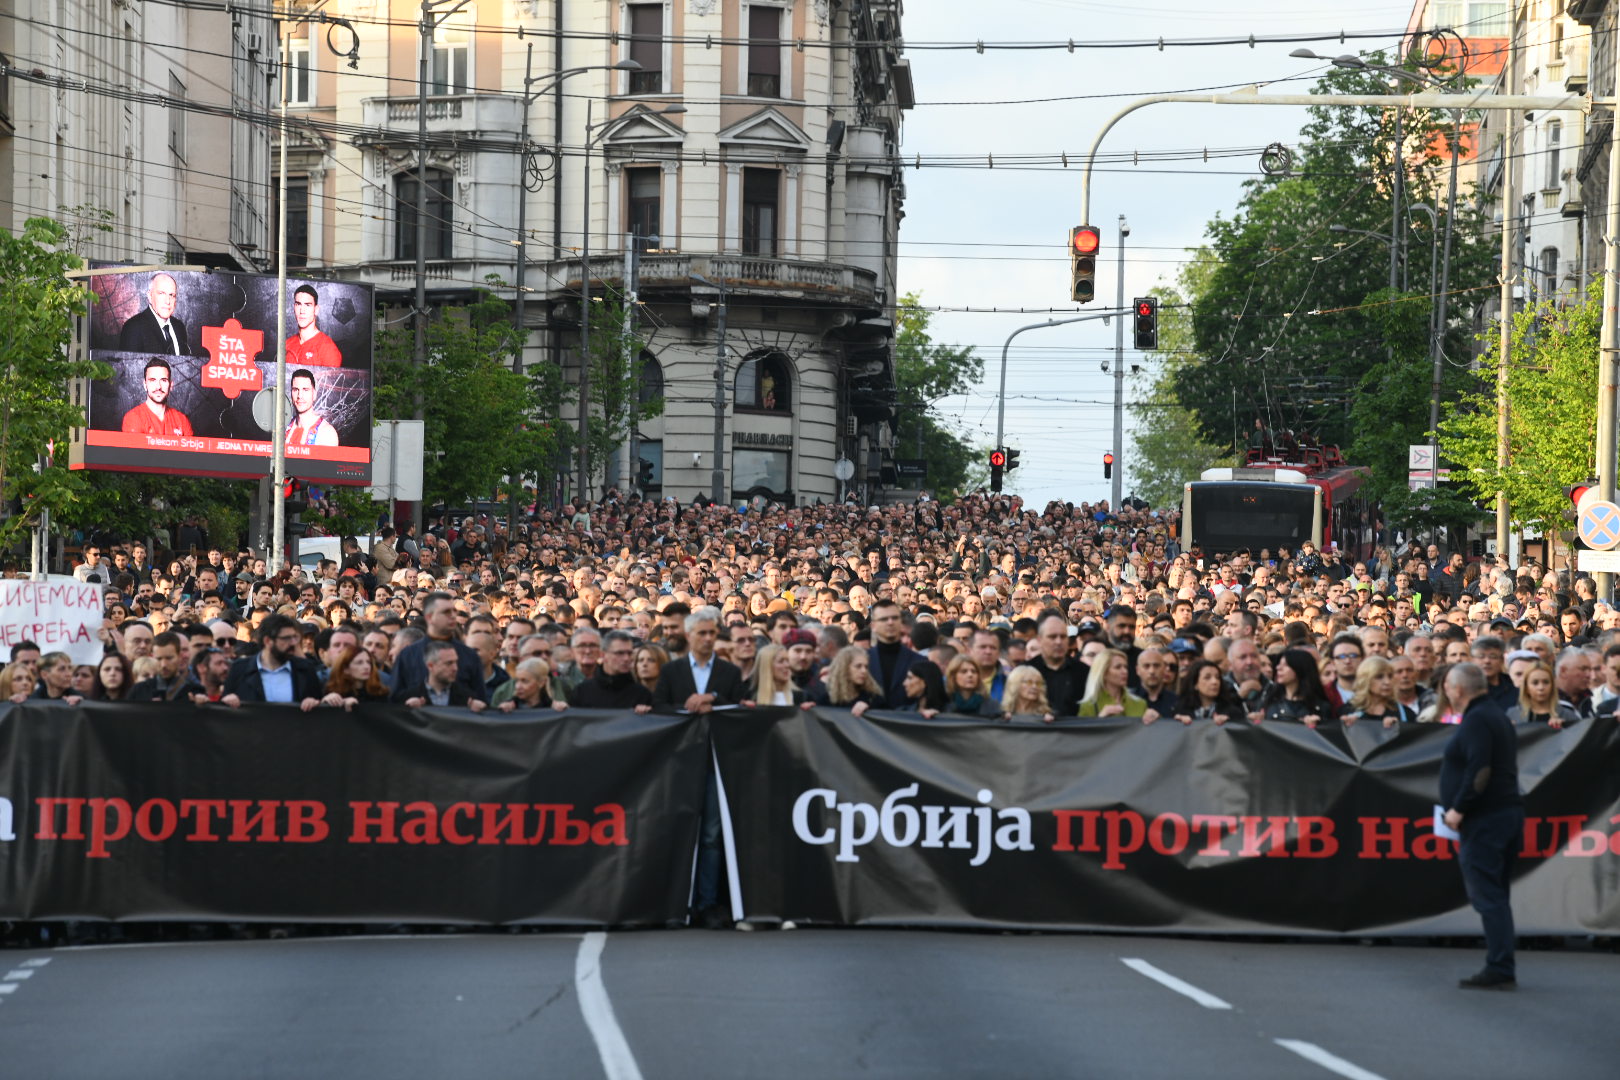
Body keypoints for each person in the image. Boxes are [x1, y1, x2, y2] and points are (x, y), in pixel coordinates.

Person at [1440, 662, 1524, 990]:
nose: (1445, 690)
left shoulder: (1478, 720)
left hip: (1487, 819)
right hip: (1503, 814)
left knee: (1489, 895)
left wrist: (1459, 809)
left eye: (1447, 685)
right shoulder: (1493, 715)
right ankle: (1501, 962)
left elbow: (1480, 769)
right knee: (1496, 894)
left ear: (1458, 689)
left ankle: (1500, 965)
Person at [221, 612, 325, 710]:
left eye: (295, 638)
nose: (293, 643)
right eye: (286, 638)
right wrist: (227, 701)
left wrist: (314, 702)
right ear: (268, 641)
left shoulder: (306, 670)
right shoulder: (239, 670)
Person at [652, 606, 744, 712]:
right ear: (688, 636)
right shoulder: (670, 670)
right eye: (702, 633)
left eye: (712, 633)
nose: (708, 638)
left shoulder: (731, 671)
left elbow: (738, 707)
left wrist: (714, 699)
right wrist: (689, 708)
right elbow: (659, 706)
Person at [570, 629, 654, 710]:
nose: (626, 658)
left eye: (629, 653)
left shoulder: (642, 694)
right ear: (603, 655)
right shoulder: (582, 692)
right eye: (619, 653)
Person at [397, 639, 487, 710]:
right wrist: (406, 709)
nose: (455, 668)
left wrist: (481, 710)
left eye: (456, 662)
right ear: (431, 666)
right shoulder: (408, 697)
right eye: (449, 663)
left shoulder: (468, 698)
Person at [1253, 648, 1334, 727]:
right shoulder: (1268, 702)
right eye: (1279, 664)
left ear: (1299, 669)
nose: (1278, 668)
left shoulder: (1321, 707)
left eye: (1285, 665)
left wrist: (1318, 725)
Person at [865, 599, 923, 707]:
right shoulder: (862, 660)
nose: (890, 622)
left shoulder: (920, 662)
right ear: (873, 626)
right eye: (884, 619)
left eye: (895, 618)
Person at [121, 357, 194, 437]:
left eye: (163, 380)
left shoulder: (182, 420)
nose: (158, 387)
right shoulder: (133, 418)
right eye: (152, 380)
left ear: (171, 385)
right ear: (145, 385)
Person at [119, 272, 190, 355]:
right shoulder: (133, 327)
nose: (167, 301)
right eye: (161, 293)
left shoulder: (179, 327)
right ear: (150, 296)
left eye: (171, 295)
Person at [806, 645, 886, 717]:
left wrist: (869, 709)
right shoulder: (827, 700)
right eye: (858, 666)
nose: (864, 671)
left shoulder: (873, 699)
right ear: (844, 669)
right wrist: (810, 709)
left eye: (866, 667)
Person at [1506, 660, 1582, 729]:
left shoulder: (1568, 715)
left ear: (1552, 685)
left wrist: (1565, 728)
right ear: (1526, 687)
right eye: (1535, 683)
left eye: (1546, 682)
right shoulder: (1513, 715)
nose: (1541, 687)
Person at [1343, 656, 1414, 728]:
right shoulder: (1347, 711)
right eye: (1379, 677)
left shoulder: (1404, 713)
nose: (1387, 682)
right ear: (1365, 680)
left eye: (1390, 676)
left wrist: (1400, 727)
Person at [1076, 648, 1147, 719]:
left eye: (1125, 667)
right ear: (1103, 672)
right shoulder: (1089, 705)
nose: (1125, 671)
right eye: (1118, 667)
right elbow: (1083, 729)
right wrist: (1100, 719)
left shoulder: (1140, 704)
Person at [284, 283, 343, 367]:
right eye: (298, 304)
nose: (302, 311)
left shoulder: (328, 348)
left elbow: (332, 379)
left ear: (316, 310)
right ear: (294, 307)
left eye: (308, 305)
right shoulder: (287, 344)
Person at [1173, 659, 1245, 725]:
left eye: (1217, 677)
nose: (1215, 682)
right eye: (1207, 678)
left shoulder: (1231, 712)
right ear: (1195, 684)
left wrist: (1228, 723)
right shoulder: (1181, 711)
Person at [284, 368, 339, 447]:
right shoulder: (283, 429)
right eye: (296, 390)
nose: (300, 396)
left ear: (314, 394)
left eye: (305, 390)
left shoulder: (326, 433)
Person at [325, 644, 390, 707]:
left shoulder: (380, 692)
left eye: (368, 662)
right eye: (359, 663)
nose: (366, 667)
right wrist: (331, 701)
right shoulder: (333, 691)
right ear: (345, 668)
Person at [492, 657, 563, 712]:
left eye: (524, 681)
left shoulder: (555, 708)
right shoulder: (507, 708)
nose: (518, 686)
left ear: (541, 682)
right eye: (517, 681)